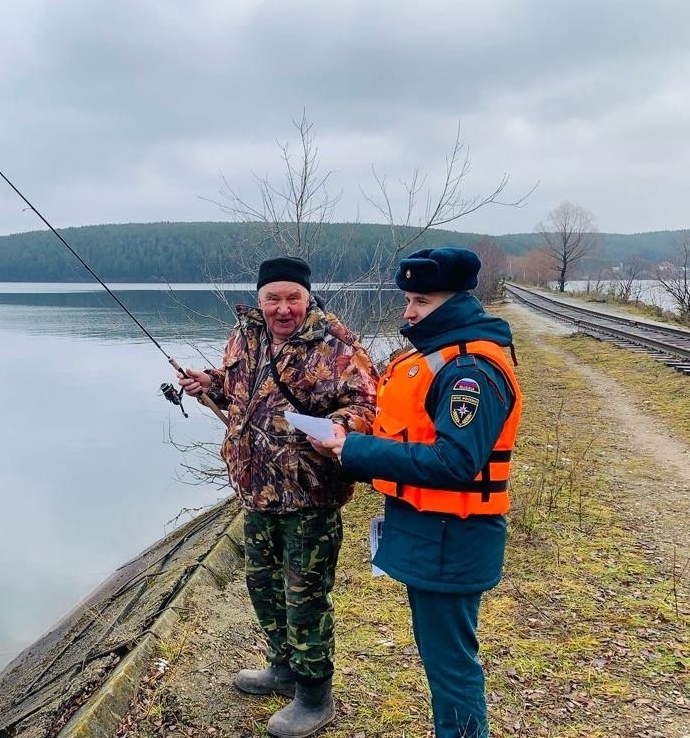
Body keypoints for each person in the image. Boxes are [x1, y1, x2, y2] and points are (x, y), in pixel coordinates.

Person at [311, 247, 523, 738]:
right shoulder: (440, 356)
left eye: (420, 301)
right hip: (434, 533)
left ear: (453, 303)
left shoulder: (470, 369)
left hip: (454, 537)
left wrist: (354, 451)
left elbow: (456, 463)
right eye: (408, 299)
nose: (407, 312)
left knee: (451, 666)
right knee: (441, 657)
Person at [179, 256, 378, 738]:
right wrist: (212, 385)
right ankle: (283, 667)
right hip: (255, 490)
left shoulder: (336, 343)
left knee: (305, 598)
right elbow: (241, 390)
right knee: (263, 588)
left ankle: (315, 696)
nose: (283, 308)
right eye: (274, 298)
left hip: (310, 496)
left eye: (293, 298)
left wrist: (340, 426)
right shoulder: (244, 336)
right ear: (261, 299)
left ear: (307, 298)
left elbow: (369, 404)